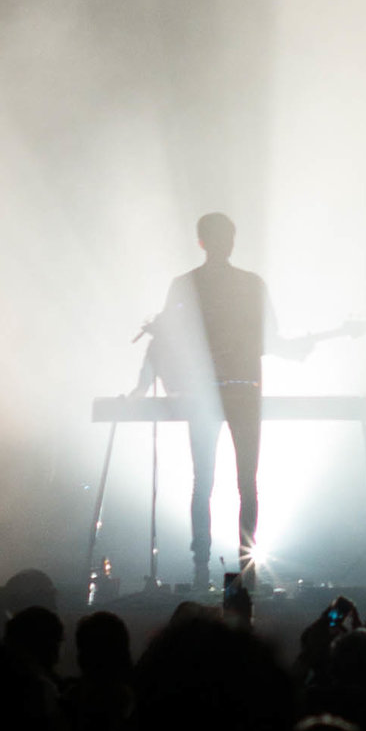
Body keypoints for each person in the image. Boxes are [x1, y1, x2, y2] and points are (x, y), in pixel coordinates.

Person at [135, 213, 313, 588]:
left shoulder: (187, 285)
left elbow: (164, 337)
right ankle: (244, 574)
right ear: (215, 242)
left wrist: (143, 383)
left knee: (207, 481)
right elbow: (270, 340)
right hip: (241, 391)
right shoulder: (249, 284)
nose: (225, 243)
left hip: (207, 393)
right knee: (243, 483)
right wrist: (295, 350)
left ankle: (204, 570)